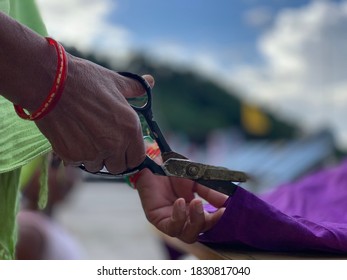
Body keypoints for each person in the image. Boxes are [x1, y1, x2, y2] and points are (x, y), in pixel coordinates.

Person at [0, 1, 225, 259]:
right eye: (54, 165)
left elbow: (17, 123)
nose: (68, 172)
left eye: (58, 162)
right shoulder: (32, 234)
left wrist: (144, 166)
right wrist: (54, 80)